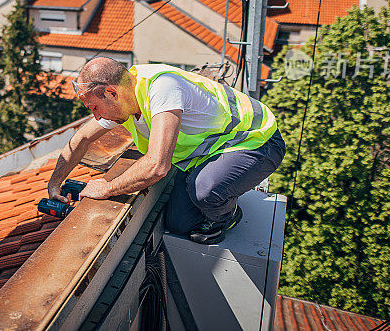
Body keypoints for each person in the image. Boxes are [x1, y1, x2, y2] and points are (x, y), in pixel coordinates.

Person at [47, 57, 286, 244]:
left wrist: (107, 188)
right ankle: (216, 186)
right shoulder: (123, 100)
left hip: (256, 141)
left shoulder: (162, 88)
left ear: (111, 93)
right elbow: (81, 139)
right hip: (208, 153)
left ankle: (226, 216)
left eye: (95, 107)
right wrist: (55, 183)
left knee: (205, 192)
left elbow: (157, 166)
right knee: (179, 223)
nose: (96, 116)